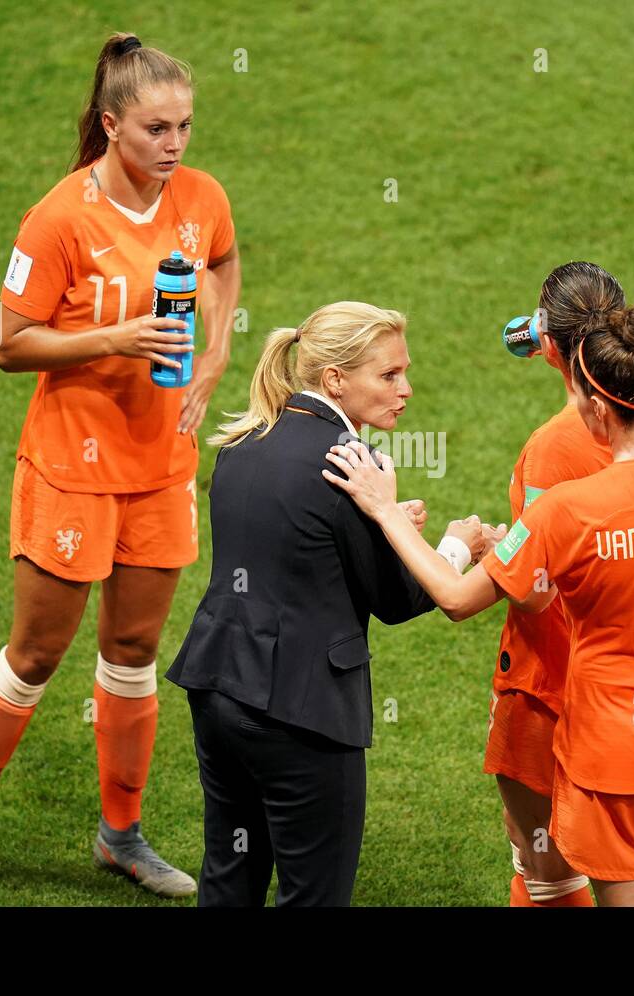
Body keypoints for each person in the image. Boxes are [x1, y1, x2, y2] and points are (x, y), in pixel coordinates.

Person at [323, 303, 634, 907]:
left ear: (596, 408)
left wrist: (386, 512)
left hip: (614, 752)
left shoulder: (565, 511)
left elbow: (458, 598)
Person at [0, 31, 241, 901]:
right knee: (36, 653)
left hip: (160, 464)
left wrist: (214, 356)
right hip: (72, 466)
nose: (174, 144)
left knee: (135, 649)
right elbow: (8, 344)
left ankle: (121, 835)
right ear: (111, 125)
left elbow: (222, 259)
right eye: (155, 128)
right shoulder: (58, 217)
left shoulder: (200, 198)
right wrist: (115, 338)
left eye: (183, 125)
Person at [167, 301, 489, 906]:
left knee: (229, 878)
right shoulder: (352, 466)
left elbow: (292, 555)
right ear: (336, 380)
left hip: (217, 689)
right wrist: (453, 545)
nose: (406, 389)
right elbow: (397, 598)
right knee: (314, 896)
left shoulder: (242, 444)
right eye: (389, 375)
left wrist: (388, 525)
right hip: (301, 712)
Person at [485, 262, 634, 907]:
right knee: (625, 860)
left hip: (551, 678)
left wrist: (492, 547)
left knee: (546, 867)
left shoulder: (551, 448)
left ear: (548, 340)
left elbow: (536, 587)